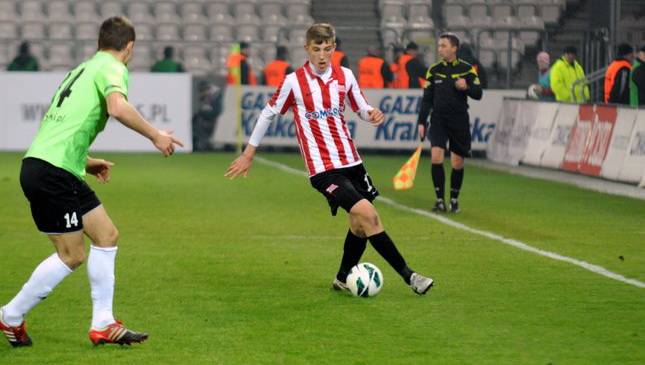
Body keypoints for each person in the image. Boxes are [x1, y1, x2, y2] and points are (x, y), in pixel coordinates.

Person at [0, 16, 183, 348]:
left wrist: (87, 161)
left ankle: (103, 323)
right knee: (71, 255)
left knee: (106, 234)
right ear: (128, 47)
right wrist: (155, 135)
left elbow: (57, 131)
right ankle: (10, 315)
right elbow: (117, 106)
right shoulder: (113, 68)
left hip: (53, 165)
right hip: (52, 171)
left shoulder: (82, 69)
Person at [225, 23, 434, 296]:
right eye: (316, 49)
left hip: (352, 162)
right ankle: (411, 277)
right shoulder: (294, 82)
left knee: (359, 224)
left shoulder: (345, 76)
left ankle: (342, 277)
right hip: (323, 170)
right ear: (307, 49)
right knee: (369, 215)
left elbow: (360, 107)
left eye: (327, 49)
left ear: (334, 48)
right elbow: (267, 113)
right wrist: (248, 153)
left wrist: (372, 113)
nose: (322, 55)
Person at [416, 32, 483, 213]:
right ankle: (439, 200)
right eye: (439, 46)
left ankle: (454, 200)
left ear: (454, 48)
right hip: (438, 119)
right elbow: (427, 99)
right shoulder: (434, 70)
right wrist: (422, 121)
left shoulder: (467, 69)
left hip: (459, 120)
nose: (440, 49)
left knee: (457, 162)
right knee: (436, 156)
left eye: (443, 46)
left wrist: (467, 87)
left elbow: (478, 93)